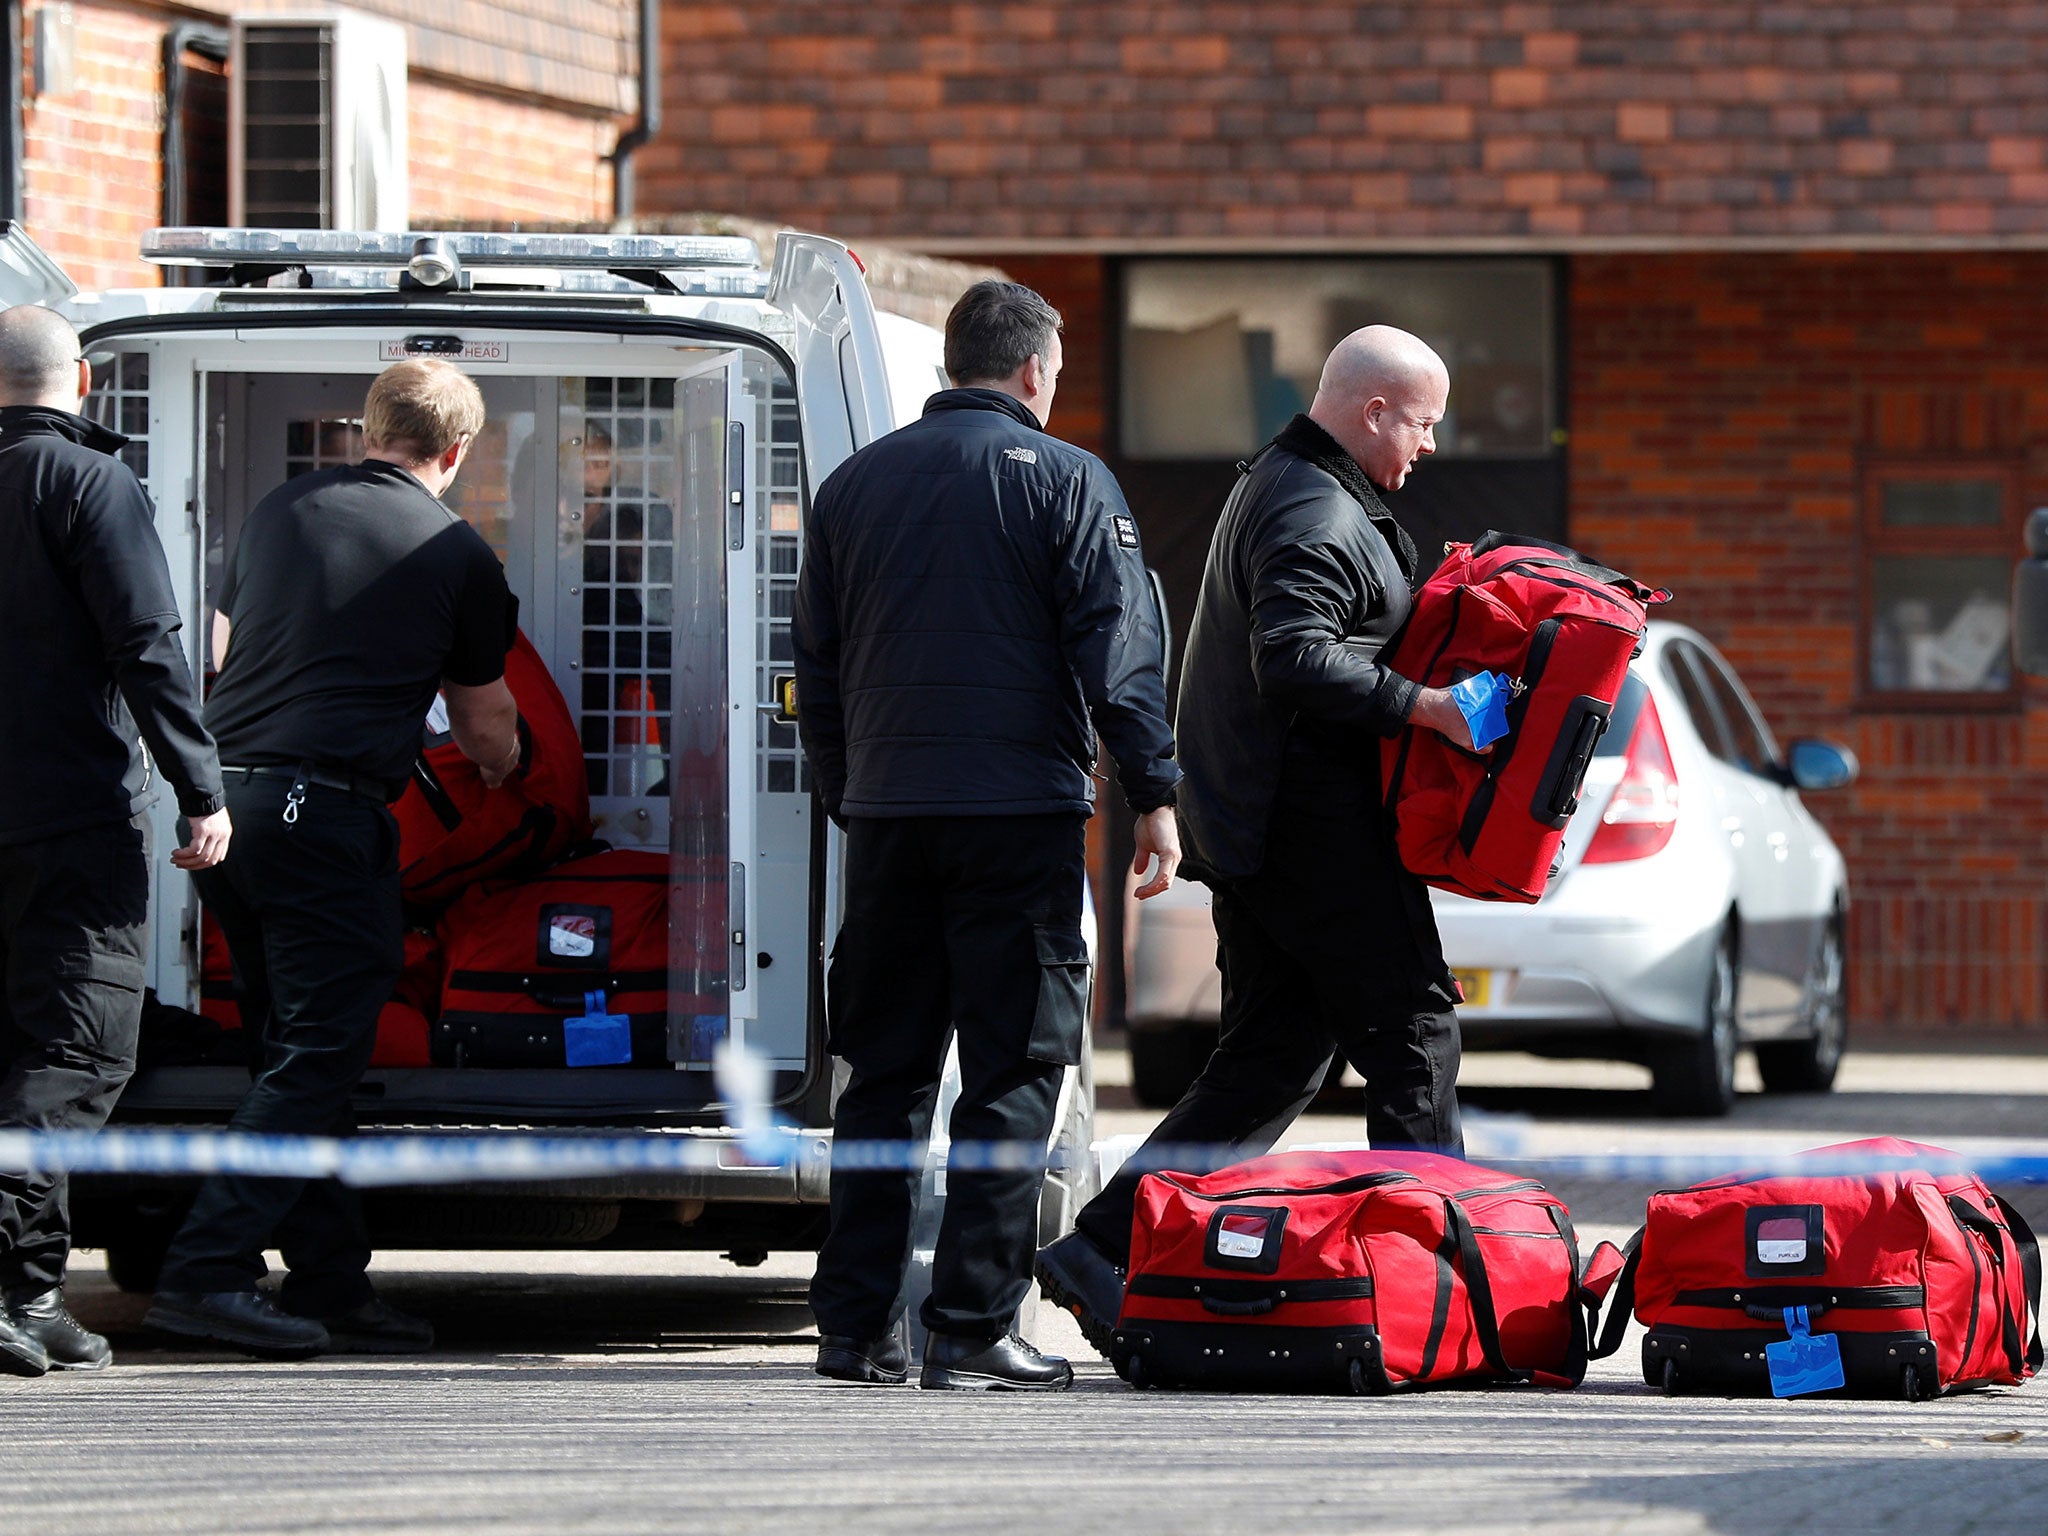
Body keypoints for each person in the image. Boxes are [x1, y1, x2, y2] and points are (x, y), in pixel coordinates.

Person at [1037, 325, 1477, 1352]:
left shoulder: (1291, 485)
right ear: (1372, 410)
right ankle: (1445, 1283)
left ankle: (1099, 1249)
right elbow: (1293, 661)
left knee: (1270, 1064)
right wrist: (1431, 709)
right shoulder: (1312, 508)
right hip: (1306, 833)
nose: (1427, 448)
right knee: (1415, 1034)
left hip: (1262, 829)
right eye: (1420, 424)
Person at [794, 279, 1181, 1392]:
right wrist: (1153, 793)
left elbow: (810, 664)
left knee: (884, 1075)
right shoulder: (1064, 481)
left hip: (889, 820)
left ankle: (853, 1325)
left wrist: (848, 790)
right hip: (1014, 819)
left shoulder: (853, 486)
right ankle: (966, 1324)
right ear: (1031, 374)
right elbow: (1117, 654)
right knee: (1014, 1070)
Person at [145, 359, 520, 1359]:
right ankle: (205, 1274)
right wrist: (509, 766)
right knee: (317, 1060)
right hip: (327, 816)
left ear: (367, 430)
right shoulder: (455, 552)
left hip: (229, 810)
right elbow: (486, 730)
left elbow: (227, 648)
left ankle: (329, 1279)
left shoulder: (279, 511)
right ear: (454, 451)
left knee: (288, 1052)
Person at [0, 306, 232, 1376]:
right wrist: (199, 785)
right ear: (84, 380)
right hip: (63, 820)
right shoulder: (90, 486)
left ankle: (35, 1290)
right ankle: (12, 1287)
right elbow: (146, 642)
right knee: (80, 1046)